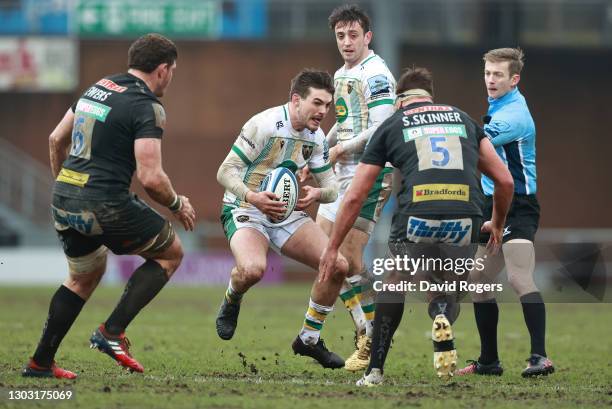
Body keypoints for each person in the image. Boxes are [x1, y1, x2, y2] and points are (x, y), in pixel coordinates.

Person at [319, 67, 514, 386]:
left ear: (400, 102)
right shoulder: (464, 120)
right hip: (465, 212)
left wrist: (331, 246)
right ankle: (440, 313)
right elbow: (504, 180)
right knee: (448, 284)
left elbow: (355, 195)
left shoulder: (392, 124)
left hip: (417, 212)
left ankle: (375, 370)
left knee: (395, 280)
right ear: (429, 97)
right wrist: (497, 224)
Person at [21, 34, 195, 379]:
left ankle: (41, 362)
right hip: (104, 202)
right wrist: (178, 203)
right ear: (163, 69)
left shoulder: (99, 86)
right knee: (170, 254)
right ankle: (111, 332)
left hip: (65, 196)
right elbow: (151, 178)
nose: (171, 77)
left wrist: (66, 184)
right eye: (172, 71)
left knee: (82, 277)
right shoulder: (147, 106)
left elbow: (57, 138)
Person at [215, 69, 349, 369]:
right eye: (317, 103)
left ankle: (309, 339)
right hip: (246, 207)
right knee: (252, 270)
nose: (323, 111)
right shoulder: (262, 124)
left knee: (337, 264)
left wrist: (315, 194)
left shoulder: (315, 138)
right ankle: (232, 297)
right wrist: (253, 197)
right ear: (296, 100)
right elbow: (225, 171)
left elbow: (333, 188)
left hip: (285, 214)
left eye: (327, 105)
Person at [301, 3, 396, 372]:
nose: (346, 41)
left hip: (370, 173)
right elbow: (343, 122)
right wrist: (321, 154)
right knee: (328, 257)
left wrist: (341, 149)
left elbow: (382, 128)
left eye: (353, 34)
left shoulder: (376, 74)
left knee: (350, 259)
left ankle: (374, 335)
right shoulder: (341, 74)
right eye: (340, 35)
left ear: (367, 36)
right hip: (339, 173)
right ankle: (366, 330)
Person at [457, 48, 554, 378]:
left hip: (519, 205)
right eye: (487, 73)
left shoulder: (514, 115)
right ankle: (488, 362)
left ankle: (540, 357)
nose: (490, 80)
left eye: (498, 74)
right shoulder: (498, 104)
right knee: (479, 279)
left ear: (514, 79)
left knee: (517, 276)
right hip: (491, 203)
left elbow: (474, 143)